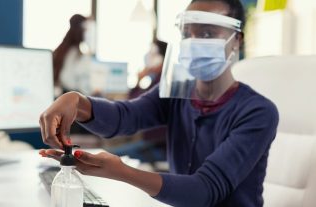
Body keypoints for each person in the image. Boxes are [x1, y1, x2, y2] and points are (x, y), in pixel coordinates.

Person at [39, 0, 279, 206]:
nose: (193, 42)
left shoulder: (258, 112)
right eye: (188, 34)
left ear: (237, 40)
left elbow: (204, 191)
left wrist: (123, 173)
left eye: (207, 33)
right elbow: (124, 117)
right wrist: (76, 101)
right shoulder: (176, 93)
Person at [53, 14, 95, 95]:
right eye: (86, 30)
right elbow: (68, 81)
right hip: (69, 97)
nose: (88, 33)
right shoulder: (74, 53)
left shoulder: (64, 49)